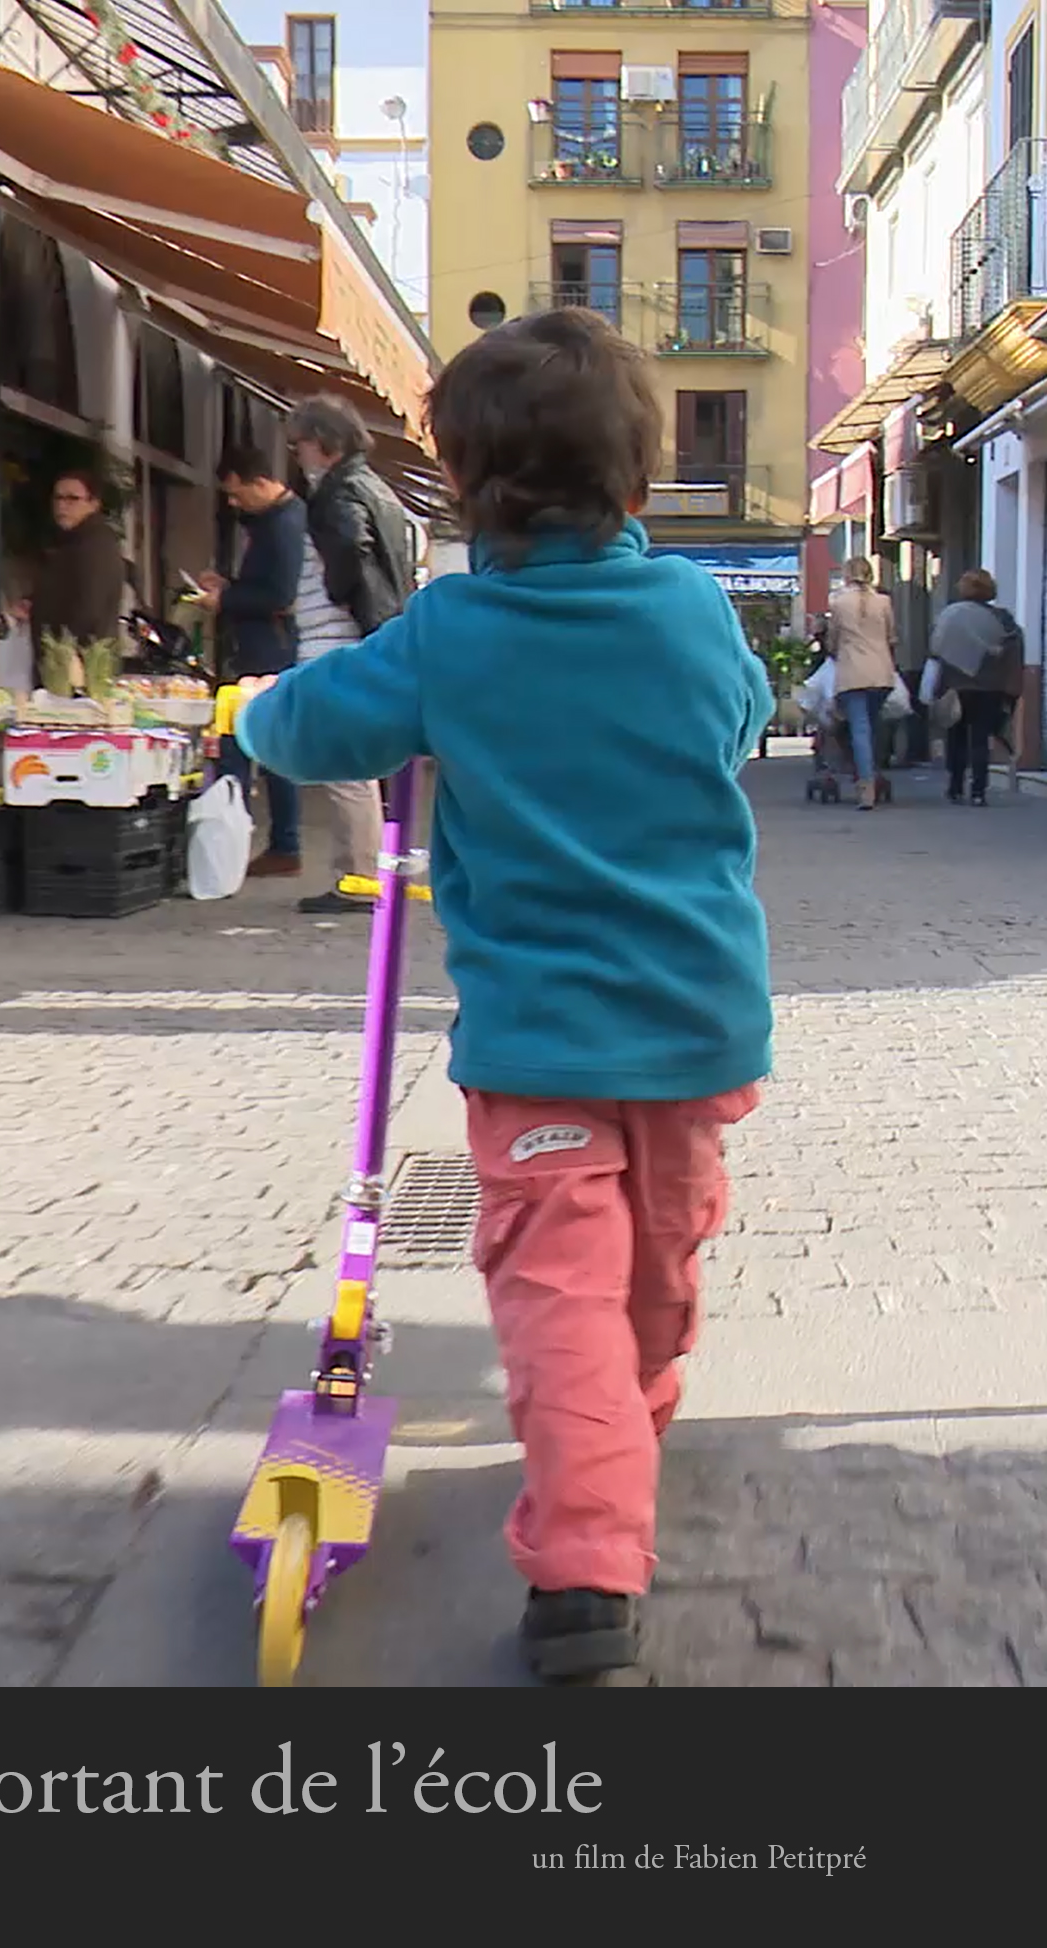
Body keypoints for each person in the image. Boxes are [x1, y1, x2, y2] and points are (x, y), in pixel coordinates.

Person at [232, 308, 772, 1684]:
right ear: (640, 485)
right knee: (655, 1271)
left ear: (465, 491)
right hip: (698, 1023)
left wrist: (246, 708)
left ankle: (589, 1565)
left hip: (538, 1045)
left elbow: (313, 723)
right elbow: (747, 717)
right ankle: (625, 1436)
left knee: (557, 1292)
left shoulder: (454, 628)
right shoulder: (698, 613)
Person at [286, 394, 414, 916]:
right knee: (351, 760)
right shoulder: (374, 487)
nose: (298, 457)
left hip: (335, 636)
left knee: (345, 763)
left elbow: (349, 557)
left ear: (325, 445)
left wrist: (340, 592)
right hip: (359, 633)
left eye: (301, 446)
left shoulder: (337, 496)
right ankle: (361, 869)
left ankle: (359, 876)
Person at [193, 446, 307, 878]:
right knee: (250, 741)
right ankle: (257, 839)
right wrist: (229, 586)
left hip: (270, 649)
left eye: (238, 495)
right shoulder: (274, 521)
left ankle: (270, 842)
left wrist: (225, 599)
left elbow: (279, 594)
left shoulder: (284, 526)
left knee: (256, 741)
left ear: (260, 482)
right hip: (262, 644)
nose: (233, 503)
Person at [931, 568, 1025, 807]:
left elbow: (937, 648)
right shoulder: (1002, 618)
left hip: (957, 686)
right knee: (981, 739)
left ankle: (955, 787)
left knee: (957, 736)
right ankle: (979, 791)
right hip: (990, 687)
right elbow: (1012, 647)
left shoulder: (951, 615)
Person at [29, 469, 126, 688]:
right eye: (58, 498)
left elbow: (90, 605)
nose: (62, 506)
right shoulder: (72, 542)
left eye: (73, 499)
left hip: (79, 670)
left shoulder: (95, 545)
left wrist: (64, 652)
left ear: (94, 504)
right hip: (62, 666)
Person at [826, 556, 899, 810]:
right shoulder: (884, 602)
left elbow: (832, 641)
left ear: (846, 575)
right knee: (873, 726)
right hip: (881, 673)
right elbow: (892, 637)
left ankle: (865, 786)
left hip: (852, 673)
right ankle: (873, 774)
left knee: (859, 729)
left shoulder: (838, 602)